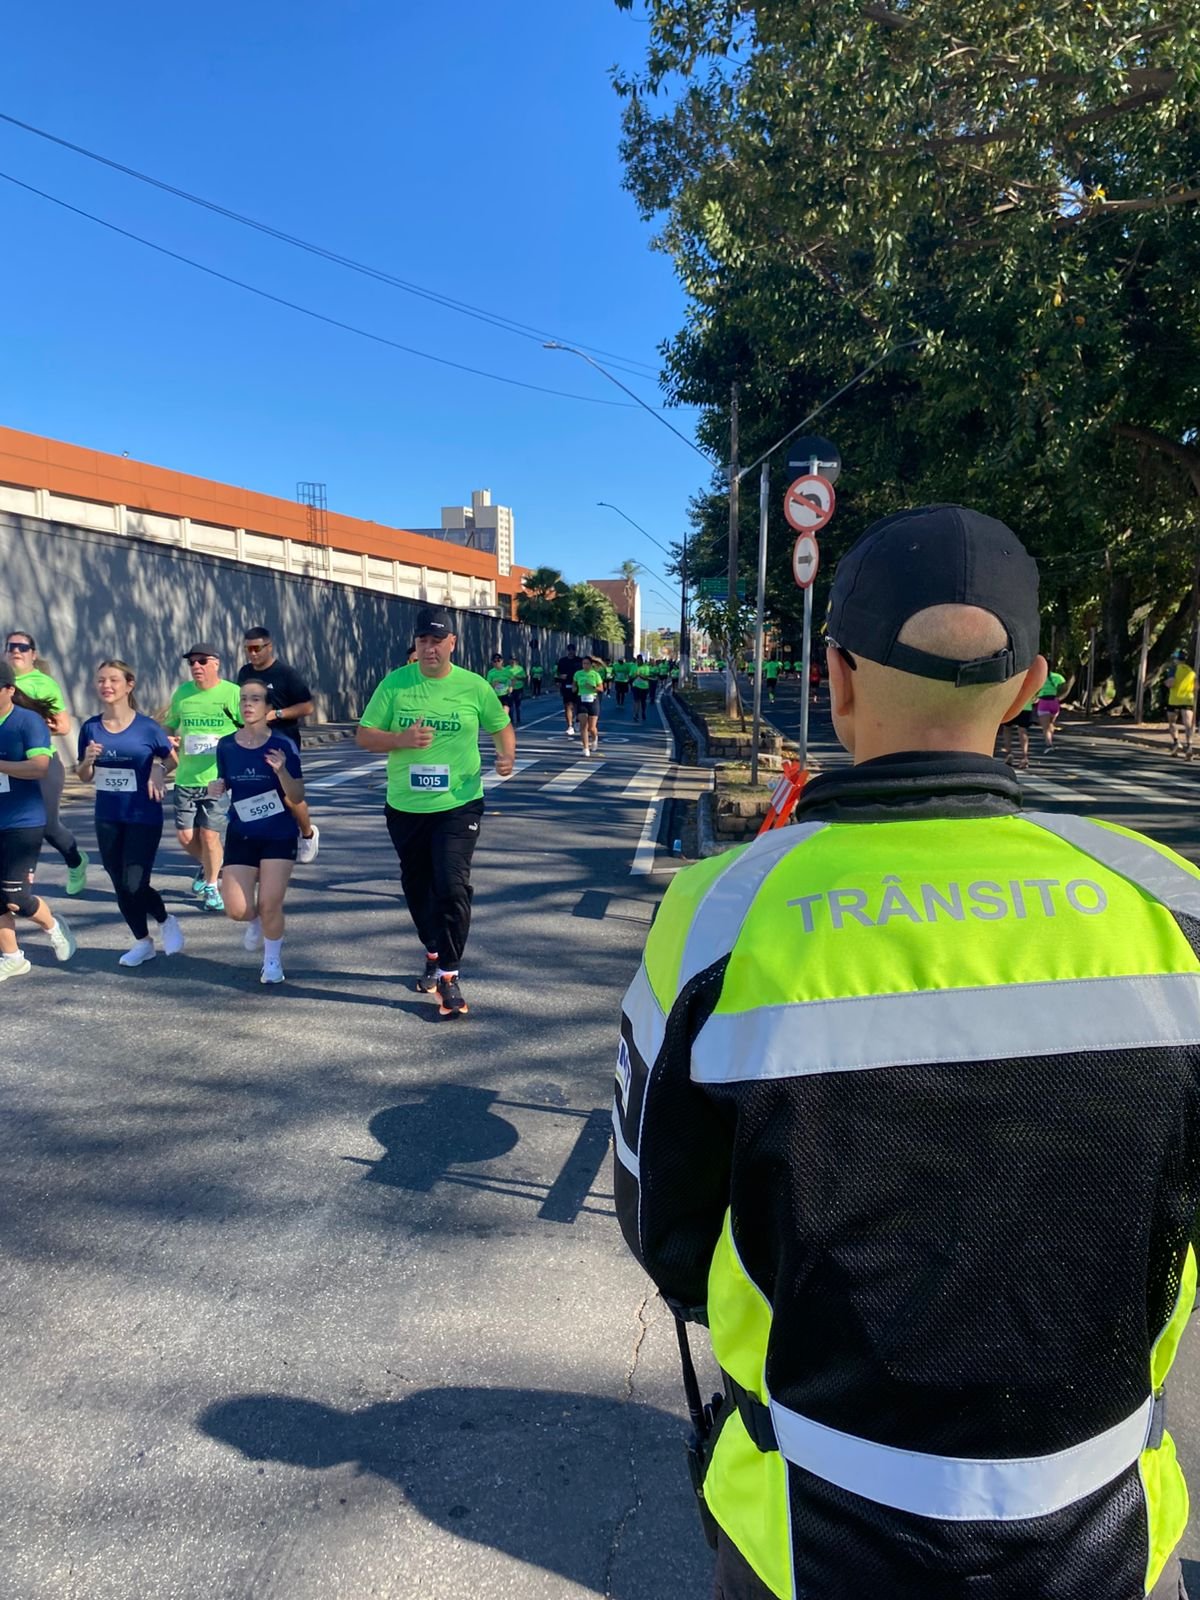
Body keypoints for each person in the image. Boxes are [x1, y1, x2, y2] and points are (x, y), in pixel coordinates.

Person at [614, 504, 1198, 1600]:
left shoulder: (725, 915)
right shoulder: (1167, 903)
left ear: (835, 674)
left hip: (810, 1527)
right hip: (1109, 1525)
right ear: (1029, 689)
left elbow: (669, 1234)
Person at [357, 608, 514, 1018]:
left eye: (437, 640)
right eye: (423, 641)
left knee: (451, 884)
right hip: (406, 806)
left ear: (452, 644)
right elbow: (364, 735)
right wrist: (400, 738)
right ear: (417, 645)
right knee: (417, 885)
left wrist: (506, 754)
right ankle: (433, 949)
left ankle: (449, 973)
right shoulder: (395, 684)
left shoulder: (474, 686)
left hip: (459, 804)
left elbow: (500, 724)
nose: (430, 647)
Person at [76, 659, 184, 966]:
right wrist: (87, 760)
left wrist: (158, 769)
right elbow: (84, 775)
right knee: (119, 884)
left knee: (135, 882)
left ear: (129, 685)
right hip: (107, 816)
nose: (106, 686)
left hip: (142, 815)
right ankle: (143, 943)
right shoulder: (91, 728)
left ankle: (165, 920)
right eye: (100, 681)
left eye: (113, 680)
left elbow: (171, 759)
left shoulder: (147, 727)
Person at [211, 677, 305, 984]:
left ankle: (272, 961)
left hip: (278, 833)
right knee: (237, 910)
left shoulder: (283, 744)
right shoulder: (226, 745)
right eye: (244, 699)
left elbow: (298, 795)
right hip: (242, 832)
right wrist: (218, 788)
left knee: (270, 903)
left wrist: (281, 771)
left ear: (267, 707)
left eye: (255, 699)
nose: (248, 705)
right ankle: (254, 921)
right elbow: (225, 785)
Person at [0, 661, 76, 980]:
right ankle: (13, 956)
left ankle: (54, 926)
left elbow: (40, 767)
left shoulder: (26, 721)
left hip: (22, 820)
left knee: (15, 897)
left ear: (8, 690)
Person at [4, 630, 89, 894]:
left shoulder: (43, 684)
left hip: (40, 763)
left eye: (23, 647)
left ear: (33, 654)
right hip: (5, 762)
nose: (16, 651)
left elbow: (63, 725)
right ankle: (14, 881)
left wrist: (26, 730)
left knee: (46, 824)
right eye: (11, 646)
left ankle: (75, 860)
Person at [162, 644, 241, 913]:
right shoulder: (183, 694)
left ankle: (211, 886)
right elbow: (168, 724)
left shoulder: (232, 693)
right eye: (192, 663)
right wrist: (168, 738)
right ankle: (210, 866)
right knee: (185, 837)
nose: (196, 666)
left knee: (209, 836)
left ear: (216, 663)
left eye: (202, 661)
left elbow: (249, 726)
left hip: (217, 779)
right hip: (186, 776)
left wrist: (230, 745)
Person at [237, 627, 320, 861]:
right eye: (247, 649)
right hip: (254, 741)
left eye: (256, 648)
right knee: (257, 791)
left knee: (288, 796)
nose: (252, 654)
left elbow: (308, 706)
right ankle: (265, 842)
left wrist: (278, 714)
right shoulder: (244, 672)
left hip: (283, 742)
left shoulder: (285, 673)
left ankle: (307, 833)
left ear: (269, 647)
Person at [1165, 649, 1196, 758]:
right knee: (1188, 724)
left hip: (1174, 699)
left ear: (1175, 659)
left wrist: (1166, 683)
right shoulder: (1191, 671)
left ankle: (1176, 741)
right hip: (1187, 699)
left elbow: (1171, 683)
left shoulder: (1173, 669)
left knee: (1172, 723)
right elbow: (1197, 686)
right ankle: (1189, 746)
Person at [573, 654, 605, 756]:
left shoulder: (595, 674)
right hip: (581, 699)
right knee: (583, 726)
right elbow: (574, 685)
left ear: (591, 665)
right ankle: (585, 747)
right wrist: (574, 688)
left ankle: (595, 739)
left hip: (593, 700)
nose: (585, 665)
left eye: (587, 664)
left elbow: (601, 689)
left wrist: (592, 687)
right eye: (583, 664)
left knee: (591, 727)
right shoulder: (578, 674)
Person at [1035, 662, 1066, 751]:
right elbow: (1064, 687)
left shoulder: (1039, 677)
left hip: (1044, 702)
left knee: (1045, 726)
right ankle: (1050, 739)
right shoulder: (1057, 677)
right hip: (1054, 702)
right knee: (1051, 723)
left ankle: (1049, 743)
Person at [1000, 692, 1034, 770]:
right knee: (1022, 730)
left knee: (1007, 728)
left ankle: (1009, 753)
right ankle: (1024, 757)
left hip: (1011, 705)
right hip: (1025, 705)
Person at [556, 645, 583, 738]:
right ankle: (570, 726)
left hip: (578, 686)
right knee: (568, 706)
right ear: (567, 651)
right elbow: (558, 673)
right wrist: (559, 680)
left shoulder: (580, 661)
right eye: (569, 650)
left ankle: (577, 721)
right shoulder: (562, 661)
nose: (571, 652)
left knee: (577, 705)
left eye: (573, 650)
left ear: (575, 650)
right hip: (566, 686)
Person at [486, 654, 513, 720]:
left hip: (505, 693)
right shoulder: (491, 672)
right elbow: (488, 685)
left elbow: (513, 680)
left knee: (505, 709)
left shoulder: (507, 671)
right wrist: (493, 684)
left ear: (502, 661)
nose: (497, 662)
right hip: (495, 695)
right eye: (495, 661)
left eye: (498, 660)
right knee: (497, 711)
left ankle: (505, 720)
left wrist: (511, 687)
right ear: (492, 663)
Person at [507, 656, 527, 727]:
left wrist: (517, 677)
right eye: (511, 661)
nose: (512, 662)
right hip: (510, 688)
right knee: (510, 704)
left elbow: (524, 677)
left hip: (518, 688)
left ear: (516, 662)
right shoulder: (507, 669)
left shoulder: (520, 668)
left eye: (513, 661)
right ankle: (511, 719)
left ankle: (518, 718)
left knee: (517, 704)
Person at [630, 658, 651, 723]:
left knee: (643, 701)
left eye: (639, 661)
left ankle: (643, 712)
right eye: (637, 661)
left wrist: (640, 675)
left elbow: (647, 677)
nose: (638, 662)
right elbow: (631, 676)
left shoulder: (646, 667)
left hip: (644, 687)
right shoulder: (633, 667)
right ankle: (636, 714)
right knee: (636, 701)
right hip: (636, 686)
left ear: (642, 661)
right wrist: (635, 676)